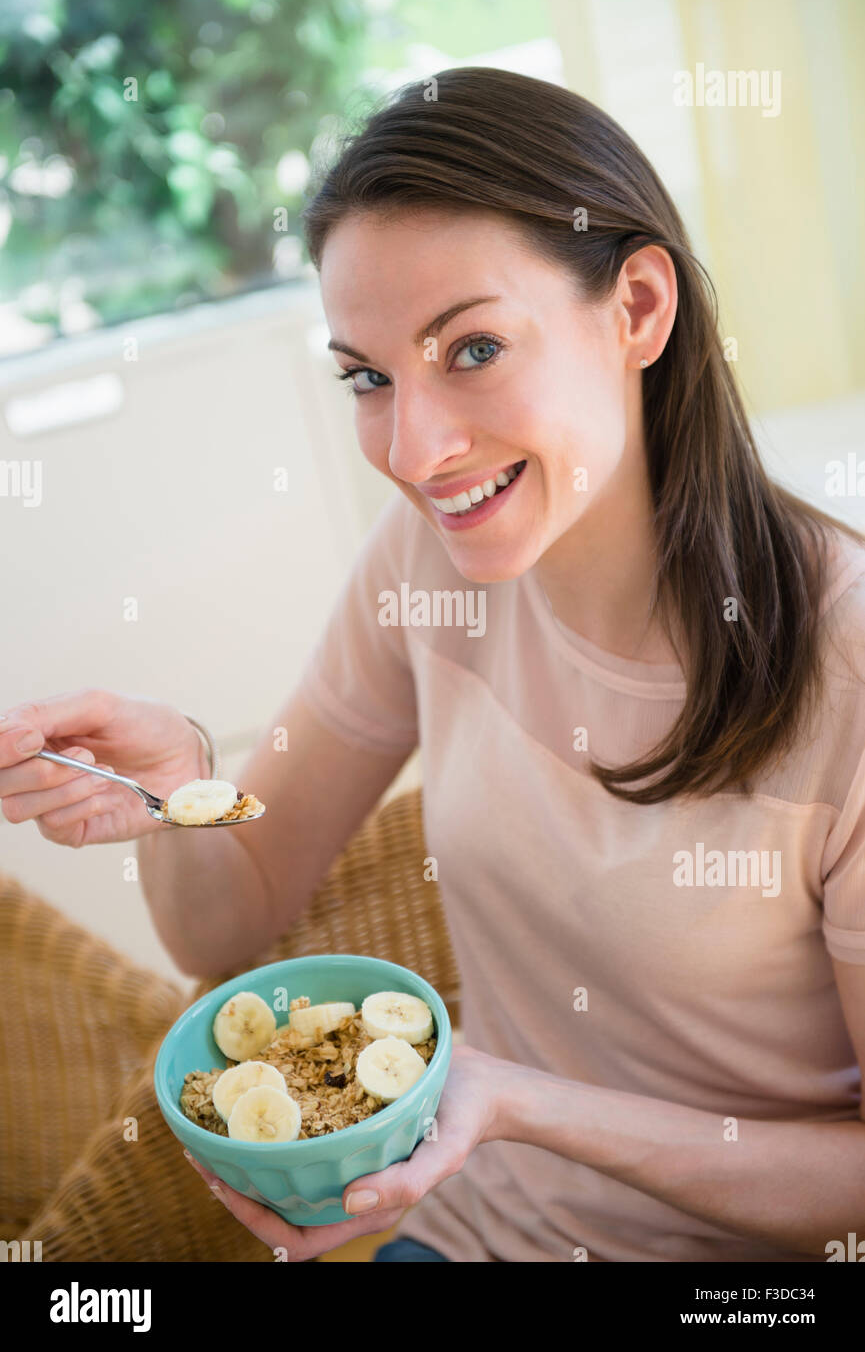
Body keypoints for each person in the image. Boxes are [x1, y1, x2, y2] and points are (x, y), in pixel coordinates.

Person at [2, 67, 864, 1264]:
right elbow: (230, 914)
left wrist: (519, 1102)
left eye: (471, 348)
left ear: (638, 311)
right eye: (366, 375)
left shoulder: (847, 668)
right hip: (457, 1235)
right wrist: (181, 787)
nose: (410, 448)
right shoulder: (426, 563)